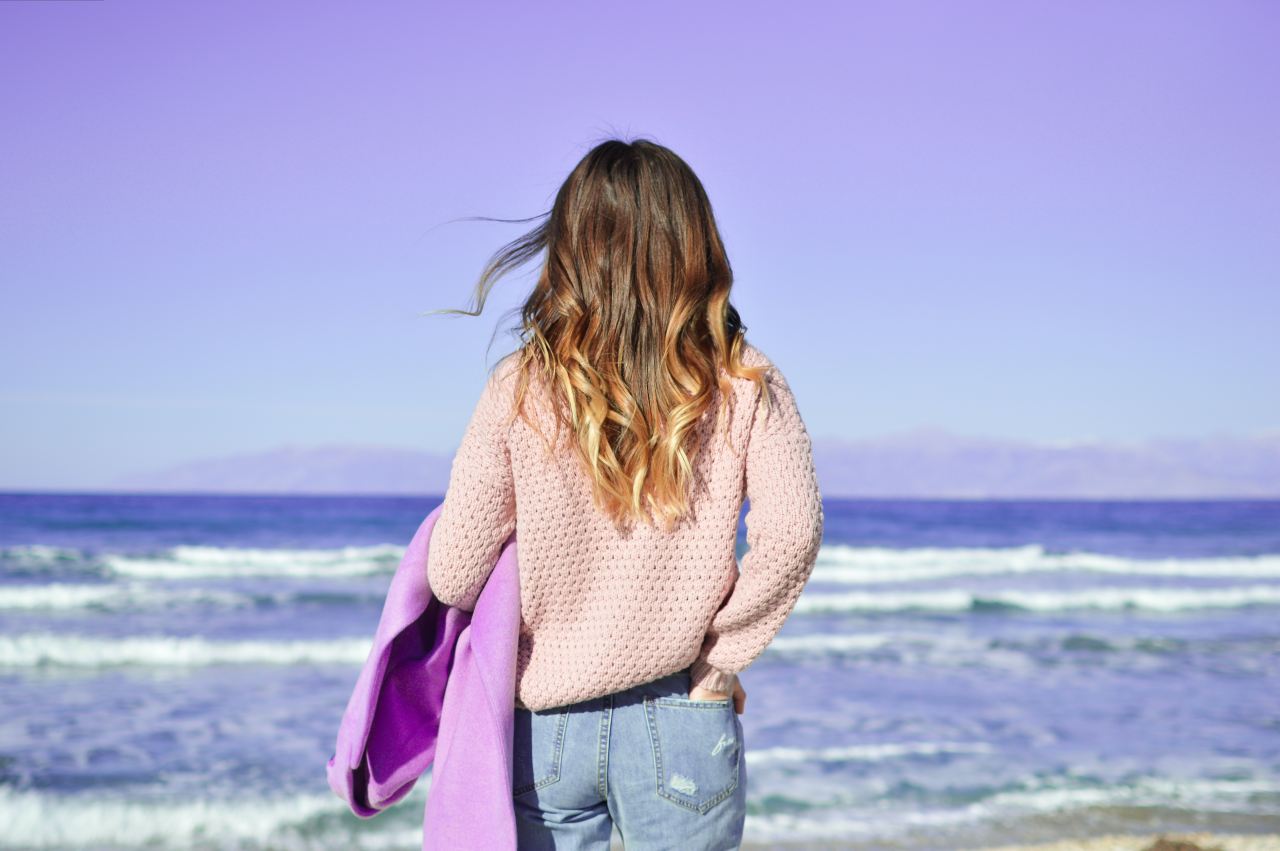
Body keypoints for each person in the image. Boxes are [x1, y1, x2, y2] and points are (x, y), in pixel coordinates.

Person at [424, 137, 825, 850]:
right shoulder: (747, 379)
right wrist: (720, 660)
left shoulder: (518, 387)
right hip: (683, 712)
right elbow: (792, 532)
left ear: (572, 247)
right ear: (696, 243)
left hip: (543, 731)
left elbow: (454, 573)